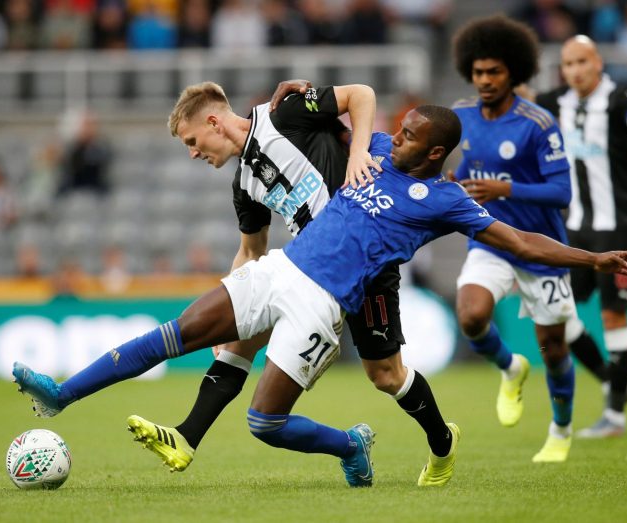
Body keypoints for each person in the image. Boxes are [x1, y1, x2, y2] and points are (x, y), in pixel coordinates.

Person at [12, 104, 627, 488]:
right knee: (174, 334)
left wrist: (594, 256)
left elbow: (524, 244)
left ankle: (352, 445)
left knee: (268, 422)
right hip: (281, 269)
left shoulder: (446, 199)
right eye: (394, 131)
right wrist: (290, 93)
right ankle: (60, 395)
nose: (391, 140)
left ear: (431, 152)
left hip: (323, 307)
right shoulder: (370, 150)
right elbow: (343, 106)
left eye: (406, 137)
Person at [158, 79, 457, 488]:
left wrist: (357, 155)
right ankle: (186, 436)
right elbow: (250, 251)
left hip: (367, 263)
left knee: (386, 375)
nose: (193, 153)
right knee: (240, 340)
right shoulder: (243, 184)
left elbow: (362, 94)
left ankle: (442, 440)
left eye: (192, 141)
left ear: (212, 121)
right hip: (310, 275)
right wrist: (230, 303)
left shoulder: (284, 114)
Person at [535, 35, 627, 438]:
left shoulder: (620, 100)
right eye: (568, 64)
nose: (576, 70)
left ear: (598, 62)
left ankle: (614, 416)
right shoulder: (554, 102)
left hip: (620, 228)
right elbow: (521, 106)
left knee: (613, 314)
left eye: (582, 61)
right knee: (555, 311)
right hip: (576, 228)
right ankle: (611, 378)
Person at [451, 15, 581, 462]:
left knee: (555, 347)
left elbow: (562, 192)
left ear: (514, 73)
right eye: (479, 71)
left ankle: (561, 429)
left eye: (495, 72)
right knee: (470, 316)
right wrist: (454, 183)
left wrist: (505, 189)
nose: (485, 80)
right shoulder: (463, 116)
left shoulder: (537, 122)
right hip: (491, 241)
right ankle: (510, 367)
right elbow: (466, 175)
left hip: (542, 249)